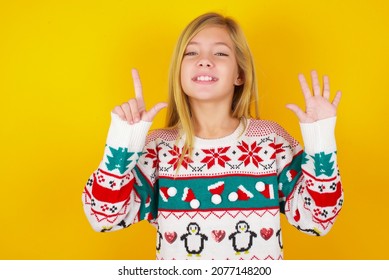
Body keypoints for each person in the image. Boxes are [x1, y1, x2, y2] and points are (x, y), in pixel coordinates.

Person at [82, 12, 343, 260]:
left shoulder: (270, 141)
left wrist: (320, 141)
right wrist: (124, 142)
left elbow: (317, 220)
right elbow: (104, 218)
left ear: (239, 74)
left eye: (220, 53)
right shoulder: (158, 148)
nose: (204, 60)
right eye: (191, 52)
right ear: (179, 72)